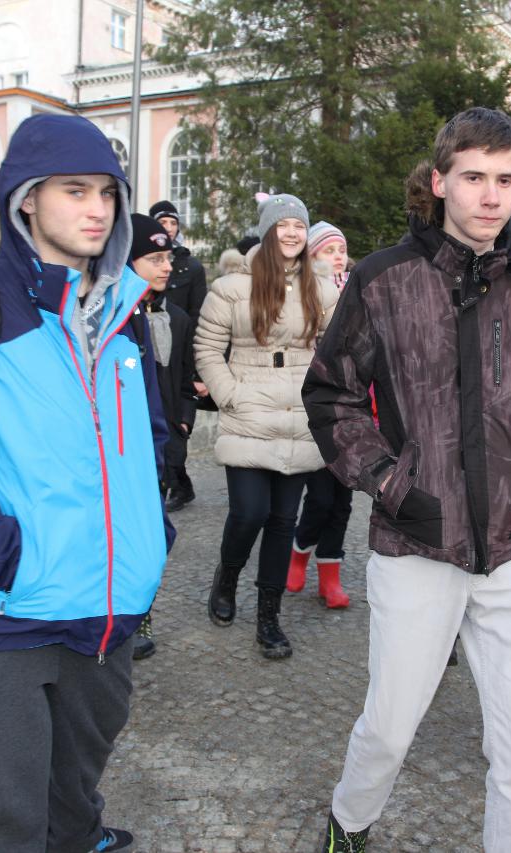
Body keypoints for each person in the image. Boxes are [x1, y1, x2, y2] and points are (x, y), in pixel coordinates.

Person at [303, 107, 511, 851]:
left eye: (505, 180)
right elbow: (330, 395)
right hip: (416, 539)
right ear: (439, 182)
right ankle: (349, 824)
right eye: (473, 177)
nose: (491, 196)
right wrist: (392, 484)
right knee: (390, 727)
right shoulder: (384, 279)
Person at [0, 114, 172, 853]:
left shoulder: (124, 316)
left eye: (108, 193)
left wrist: (148, 538)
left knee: (73, 801)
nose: (97, 209)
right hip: (3, 614)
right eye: (74, 191)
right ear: (26, 199)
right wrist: (4, 560)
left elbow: (149, 440)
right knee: (2, 826)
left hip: (107, 612)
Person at [196, 193, 339, 660]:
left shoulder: (323, 287)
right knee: (249, 512)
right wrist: (229, 394)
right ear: (267, 230)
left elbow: (334, 349)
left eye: (299, 225)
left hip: (299, 415)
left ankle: (269, 616)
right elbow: (207, 348)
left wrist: (321, 400)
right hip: (249, 409)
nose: (292, 233)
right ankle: (228, 575)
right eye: (283, 225)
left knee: (282, 521)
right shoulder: (232, 286)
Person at [127, 213, 197, 661]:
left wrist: (183, 421)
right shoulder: (113, 319)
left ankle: (140, 613)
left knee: (150, 537)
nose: (167, 267)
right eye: (155, 259)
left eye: (168, 258)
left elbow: (186, 375)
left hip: (163, 439)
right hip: (120, 447)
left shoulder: (178, 317)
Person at [287, 221, 354, 608]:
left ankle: (330, 577)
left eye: (341, 249)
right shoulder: (303, 293)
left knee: (342, 502)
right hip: (313, 408)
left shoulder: (355, 289)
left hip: (351, 408)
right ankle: (298, 553)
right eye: (329, 250)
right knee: (321, 498)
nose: (338, 257)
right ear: (312, 256)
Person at [149, 199, 208, 510]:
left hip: (179, 342)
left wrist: (198, 372)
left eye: (173, 223)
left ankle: (177, 484)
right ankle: (173, 483)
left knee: (174, 426)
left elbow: (199, 314)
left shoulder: (190, 267)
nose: (169, 228)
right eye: (163, 223)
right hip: (151, 336)